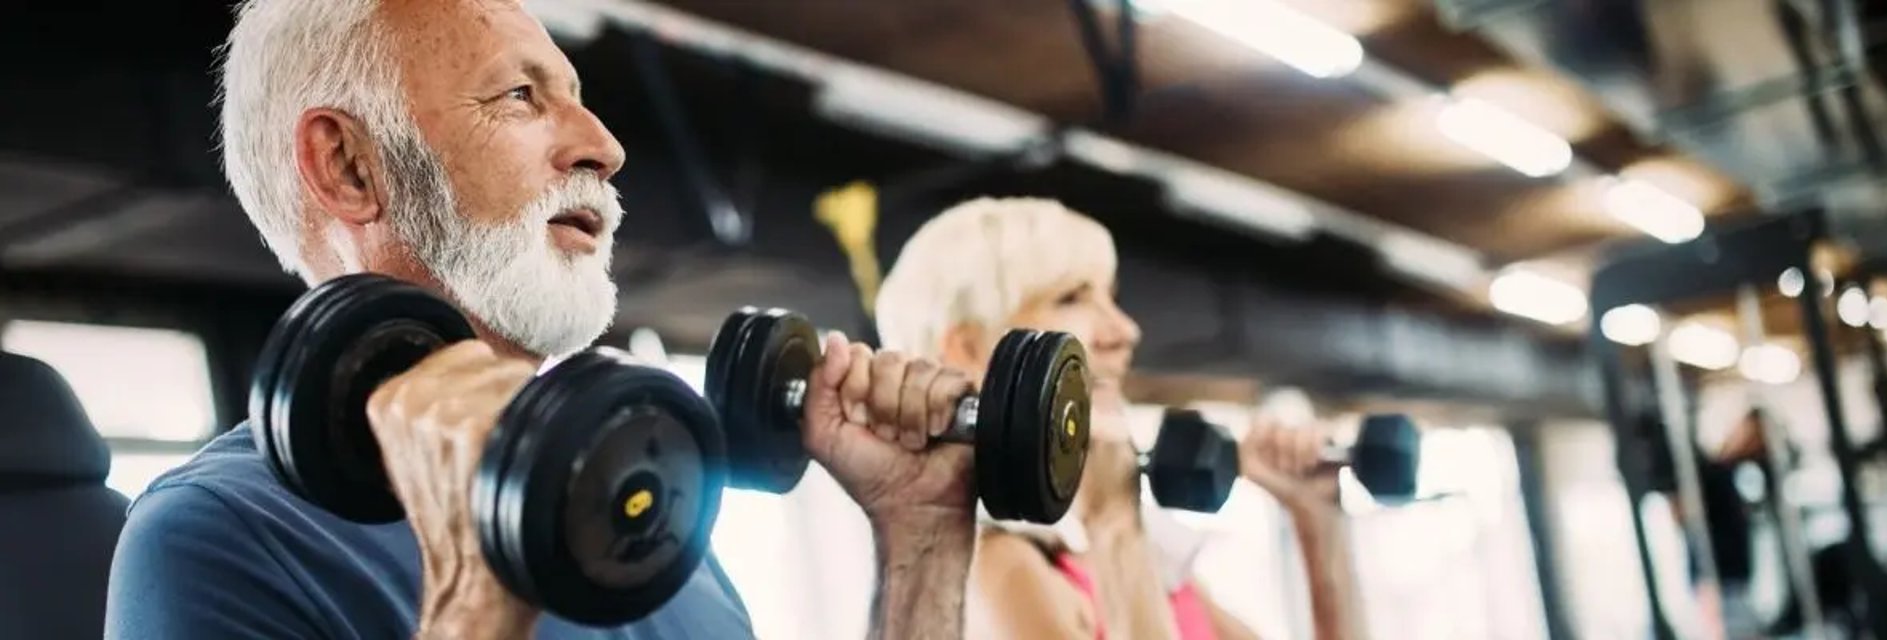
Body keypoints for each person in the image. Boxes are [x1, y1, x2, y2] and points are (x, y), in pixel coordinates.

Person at [106, 1, 979, 638]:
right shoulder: (215, 539)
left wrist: (922, 540)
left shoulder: (641, 487)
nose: (604, 143)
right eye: (520, 96)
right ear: (348, 165)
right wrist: (476, 605)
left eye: (575, 95)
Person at [873, 197, 1368, 640]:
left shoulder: (1138, 566)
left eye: (1110, 296)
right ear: (970, 351)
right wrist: (1113, 522)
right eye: (1071, 298)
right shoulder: (998, 573)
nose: (1125, 330)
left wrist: (1318, 520)